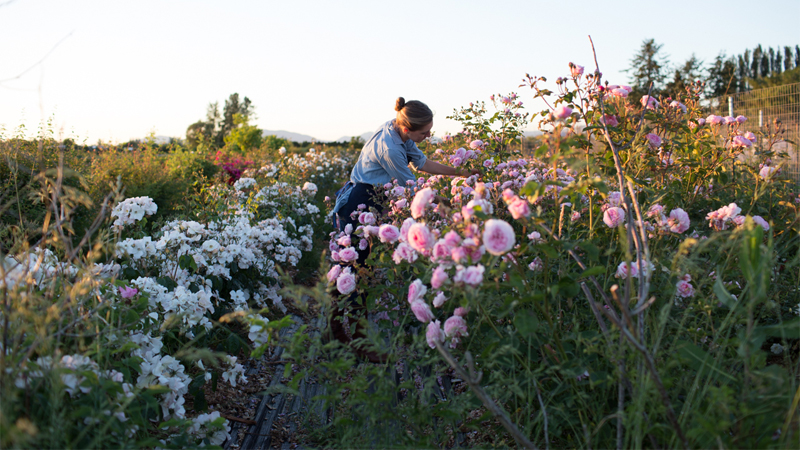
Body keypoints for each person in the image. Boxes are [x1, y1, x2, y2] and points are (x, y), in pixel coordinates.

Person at [328, 97, 480, 362]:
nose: (429, 135)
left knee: (355, 268)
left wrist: (460, 173)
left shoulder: (398, 129)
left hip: (372, 199)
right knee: (356, 271)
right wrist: (448, 202)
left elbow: (423, 164)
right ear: (408, 129)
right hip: (359, 203)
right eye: (425, 132)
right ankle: (359, 342)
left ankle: (338, 334)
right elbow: (412, 188)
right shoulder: (390, 147)